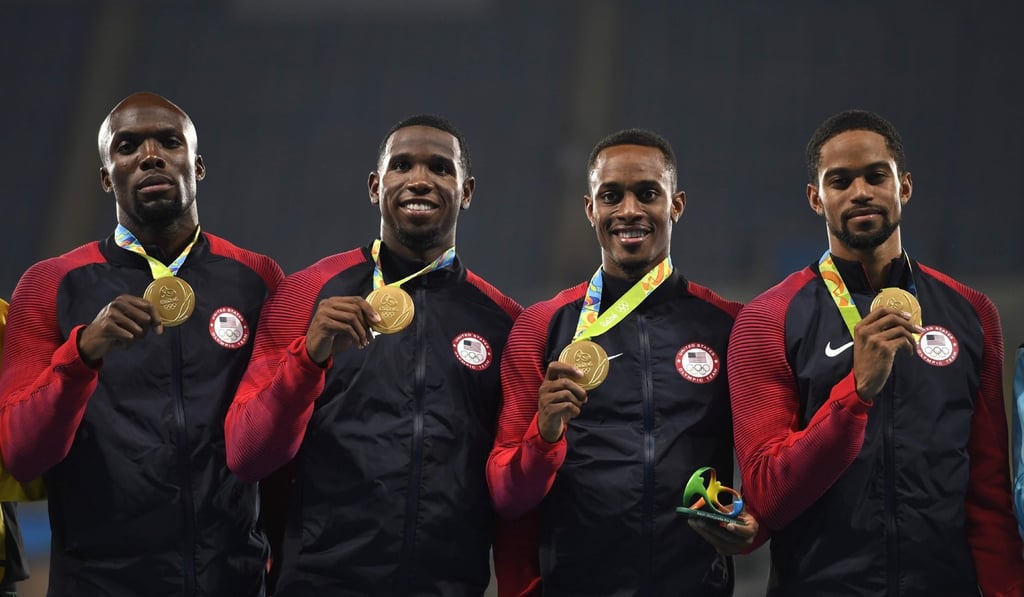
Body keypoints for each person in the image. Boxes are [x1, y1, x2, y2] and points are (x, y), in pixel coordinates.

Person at [224, 114, 523, 596]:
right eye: (402, 165)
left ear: (466, 191)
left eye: (440, 168)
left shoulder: (506, 322)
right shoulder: (305, 294)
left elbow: (514, 487)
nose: (420, 179)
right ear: (374, 185)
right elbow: (247, 454)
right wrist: (308, 359)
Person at [728, 109, 1024, 595]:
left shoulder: (971, 312)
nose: (860, 191)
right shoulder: (767, 320)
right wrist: (855, 395)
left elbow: (988, 491)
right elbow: (766, 494)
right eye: (839, 181)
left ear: (903, 186)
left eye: (875, 176)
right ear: (815, 198)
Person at [0, 92, 284, 596]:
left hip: (232, 581)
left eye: (169, 142)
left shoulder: (257, 279)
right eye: (127, 145)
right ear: (107, 177)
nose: (150, 154)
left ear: (197, 166)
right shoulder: (50, 285)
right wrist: (82, 355)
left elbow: (282, 447)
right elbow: (23, 455)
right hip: (99, 584)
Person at [487, 128, 758, 596]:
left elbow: (766, 459)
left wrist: (758, 523)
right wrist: (544, 434)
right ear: (590, 208)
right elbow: (506, 496)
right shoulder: (542, 327)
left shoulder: (729, 326)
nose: (629, 210)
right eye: (611, 196)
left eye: (647, 194)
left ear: (676, 204)